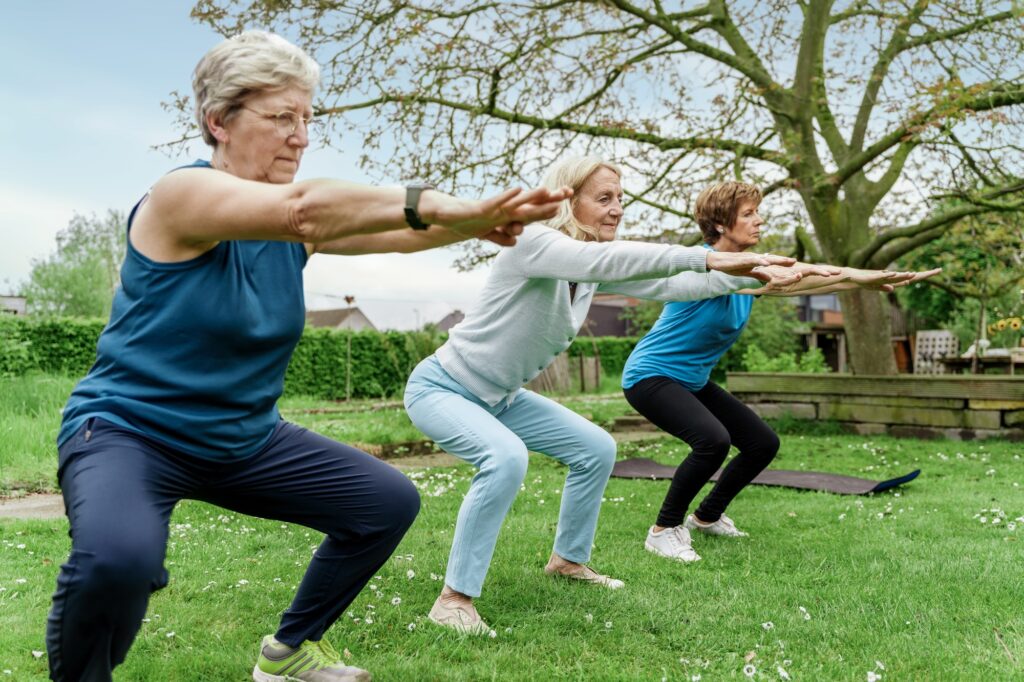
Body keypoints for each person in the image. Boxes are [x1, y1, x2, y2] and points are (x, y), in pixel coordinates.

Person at [46, 31, 575, 682]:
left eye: (307, 120)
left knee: (384, 502)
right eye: (281, 118)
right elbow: (306, 211)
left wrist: (480, 220)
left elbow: (393, 233)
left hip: (243, 440)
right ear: (219, 121)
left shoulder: (291, 233)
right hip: (132, 433)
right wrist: (446, 205)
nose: (301, 137)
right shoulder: (179, 198)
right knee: (117, 562)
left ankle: (290, 651)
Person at [402, 157, 820, 635]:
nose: (617, 209)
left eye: (620, 199)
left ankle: (567, 562)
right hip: (443, 387)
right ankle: (453, 598)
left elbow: (671, 283)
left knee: (596, 447)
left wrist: (758, 274)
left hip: (500, 396)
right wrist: (709, 255)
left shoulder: (588, 265)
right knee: (505, 458)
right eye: (604, 198)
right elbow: (616, 259)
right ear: (566, 198)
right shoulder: (534, 241)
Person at [623, 181, 939, 563]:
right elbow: (794, 269)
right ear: (721, 225)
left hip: (690, 380)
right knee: (712, 441)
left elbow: (806, 279)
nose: (759, 220)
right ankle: (663, 530)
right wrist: (860, 275)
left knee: (761, 443)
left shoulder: (751, 274)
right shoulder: (703, 267)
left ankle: (706, 517)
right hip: (650, 375)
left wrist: (870, 279)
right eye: (748, 214)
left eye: (757, 212)